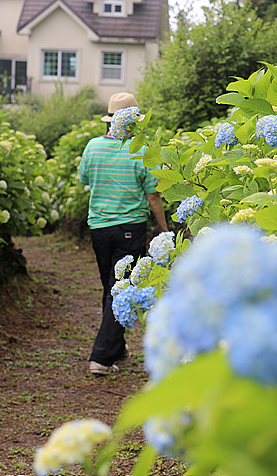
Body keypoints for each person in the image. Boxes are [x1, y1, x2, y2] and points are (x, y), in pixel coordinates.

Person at [78, 92, 168, 376]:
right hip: (129, 229)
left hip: (99, 229)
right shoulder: (140, 151)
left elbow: (84, 179)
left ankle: (115, 348)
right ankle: (101, 358)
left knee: (112, 287)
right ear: (134, 123)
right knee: (122, 289)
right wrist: (164, 230)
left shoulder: (92, 147)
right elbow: (153, 197)